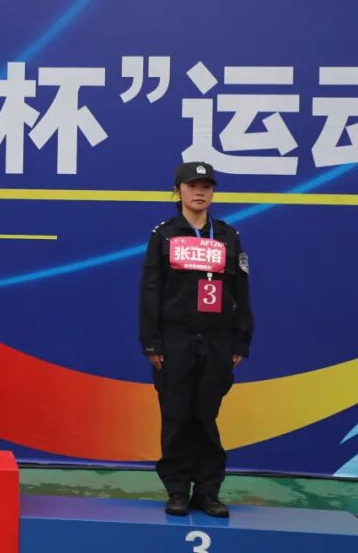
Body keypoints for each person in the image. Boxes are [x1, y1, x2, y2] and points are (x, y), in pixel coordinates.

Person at [139, 161, 253, 517]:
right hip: (175, 340)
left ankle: (208, 491)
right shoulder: (163, 235)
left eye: (206, 187)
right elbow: (150, 291)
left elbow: (241, 290)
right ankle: (177, 489)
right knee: (176, 415)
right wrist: (152, 342)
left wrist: (241, 340)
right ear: (178, 192)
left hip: (217, 340)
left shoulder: (229, 235)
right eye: (192, 186)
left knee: (206, 415)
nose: (200, 193)